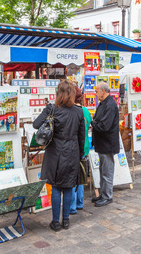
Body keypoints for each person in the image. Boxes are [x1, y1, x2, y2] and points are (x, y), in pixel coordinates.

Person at [33, 80, 85, 232]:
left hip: (55, 153)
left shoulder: (52, 109)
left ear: (58, 93)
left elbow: (36, 125)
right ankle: (66, 220)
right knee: (68, 187)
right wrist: (80, 155)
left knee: (56, 187)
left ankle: (55, 222)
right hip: (72, 152)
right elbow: (82, 137)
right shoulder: (78, 111)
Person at [91, 82, 120, 207]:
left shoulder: (110, 105)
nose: (95, 93)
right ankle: (103, 194)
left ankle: (107, 196)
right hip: (102, 143)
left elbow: (104, 126)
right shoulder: (104, 103)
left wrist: (93, 124)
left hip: (107, 143)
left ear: (103, 91)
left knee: (107, 172)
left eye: (97, 91)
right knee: (103, 171)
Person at [70, 85, 92, 215]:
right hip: (84, 147)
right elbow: (89, 124)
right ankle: (79, 203)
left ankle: (72, 206)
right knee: (82, 175)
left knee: (72, 178)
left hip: (74, 148)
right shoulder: (85, 110)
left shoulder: (71, 110)